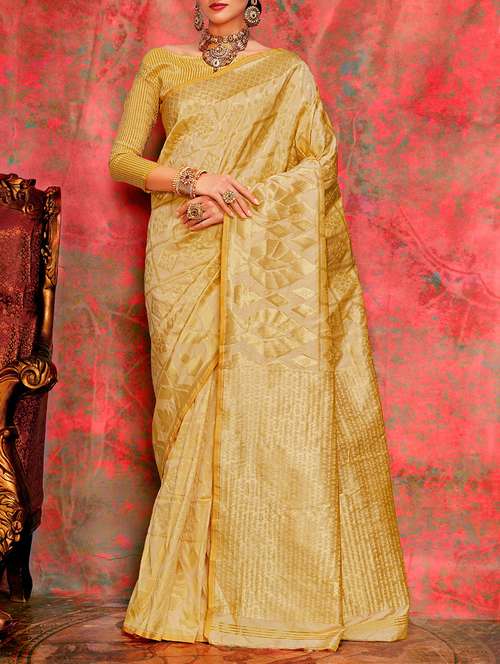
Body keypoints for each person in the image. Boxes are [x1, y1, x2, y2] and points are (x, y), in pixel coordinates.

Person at [108, 0, 411, 652]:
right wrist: (195, 180)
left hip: (249, 245)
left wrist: (237, 204)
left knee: (255, 414)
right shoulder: (162, 65)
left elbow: (317, 167)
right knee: (185, 413)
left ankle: (256, 597)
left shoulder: (286, 72)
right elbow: (124, 161)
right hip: (180, 250)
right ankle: (193, 594)